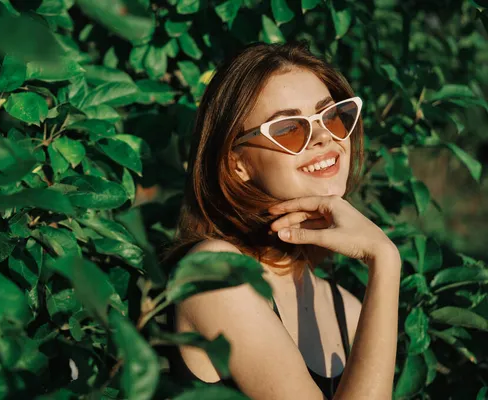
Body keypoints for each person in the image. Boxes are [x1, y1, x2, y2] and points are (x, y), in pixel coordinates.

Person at [162, 41, 401, 400]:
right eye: (289, 128)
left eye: (332, 116)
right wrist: (385, 259)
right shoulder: (216, 273)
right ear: (236, 164)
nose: (324, 137)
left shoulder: (348, 311)